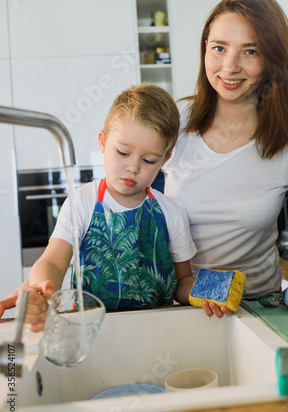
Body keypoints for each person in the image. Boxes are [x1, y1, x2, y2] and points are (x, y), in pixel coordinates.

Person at [162, 0, 288, 317]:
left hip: (259, 307)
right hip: (185, 306)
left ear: (273, 59)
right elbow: (122, 186)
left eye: (250, 51)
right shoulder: (176, 122)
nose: (229, 66)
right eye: (219, 48)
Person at [0, 83, 205, 331]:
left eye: (149, 160)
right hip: (91, 332)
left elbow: (183, 280)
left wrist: (201, 292)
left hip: (158, 332)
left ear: (165, 159)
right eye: (122, 152)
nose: (133, 167)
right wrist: (42, 289)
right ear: (102, 142)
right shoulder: (82, 203)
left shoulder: (171, 211)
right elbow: (53, 262)